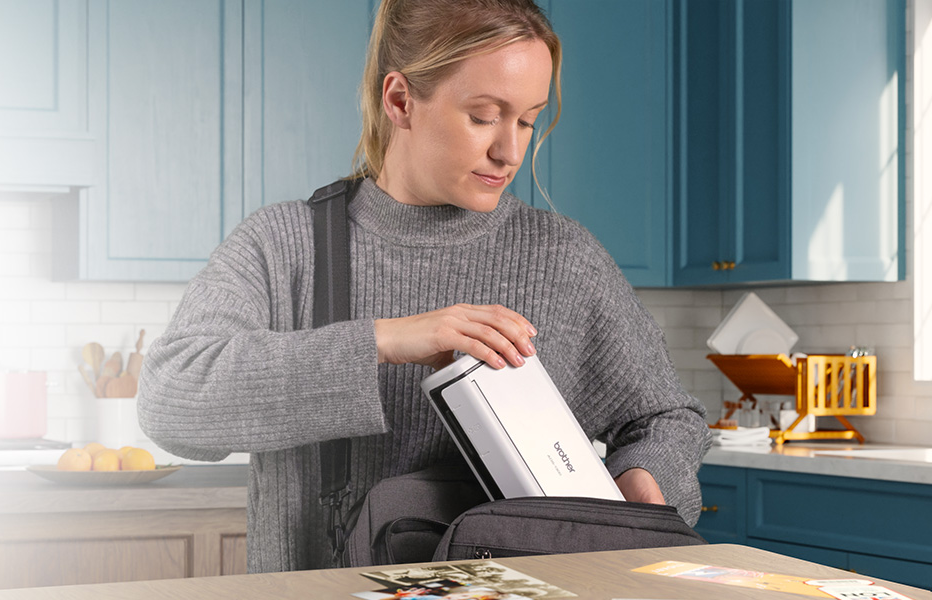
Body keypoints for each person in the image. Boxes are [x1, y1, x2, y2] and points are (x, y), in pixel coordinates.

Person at [136, 0, 711, 573]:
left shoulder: (564, 257)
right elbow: (170, 401)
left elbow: (667, 417)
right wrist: (383, 341)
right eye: (484, 115)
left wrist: (646, 479)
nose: (510, 150)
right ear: (401, 100)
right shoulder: (285, 244)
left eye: (528, 119)